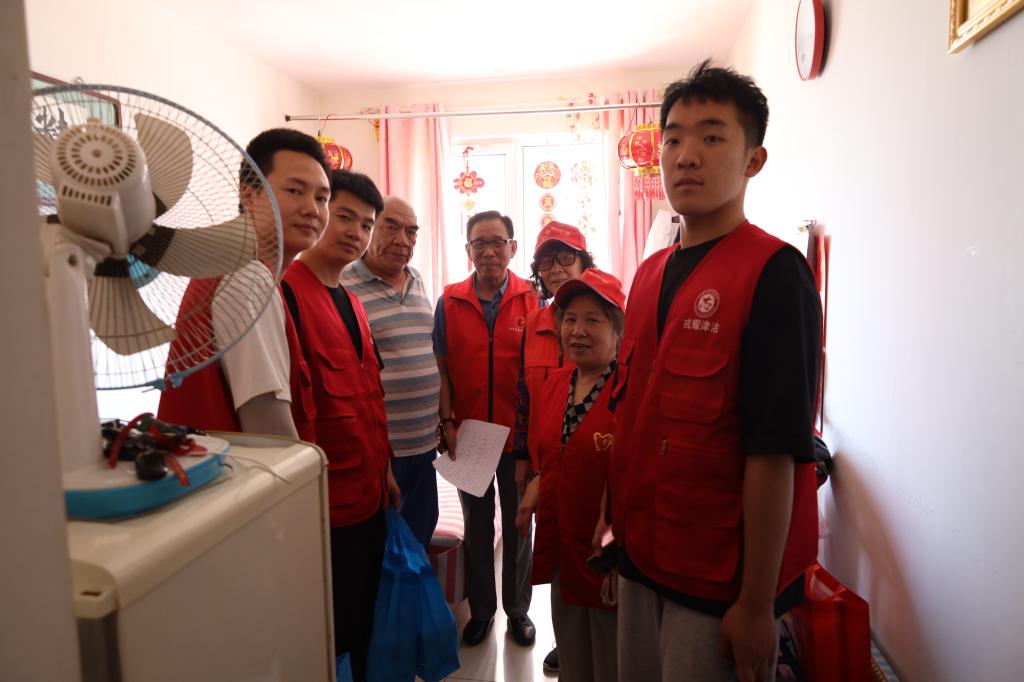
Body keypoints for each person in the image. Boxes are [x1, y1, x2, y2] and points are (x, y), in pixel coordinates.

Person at [608, 60, 822, 682]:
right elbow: (633, 414)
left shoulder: (775, 273)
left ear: (753, 159)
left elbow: (776, 452)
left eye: (711, 136)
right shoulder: (648, 273)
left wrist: (756, 605)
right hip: (640, 553)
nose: (685, 156)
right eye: (672, 138)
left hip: (716, 581)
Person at [281, 169, 401, 682]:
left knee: (365, 619)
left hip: (370, 495)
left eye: (366, 224)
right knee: (333, 632)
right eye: (345, 216)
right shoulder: (286, 294)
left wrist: (386, 471)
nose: (356, 232)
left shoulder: (351, 301)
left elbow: (371, 398)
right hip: (325, 506)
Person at [158, 128, 327, 439]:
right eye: (295, 191)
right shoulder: (247, 276)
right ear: (249, 196)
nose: (312, 209)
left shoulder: (234, 266)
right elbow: (270, 434)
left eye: (322, 198)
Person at [432, 211, 539, 647]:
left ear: (513, 247)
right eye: (480, 243)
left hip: (518, 439)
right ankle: (481, 611)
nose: (489, 251)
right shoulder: (450, 301)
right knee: (476, 528)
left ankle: (518, 611)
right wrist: (447, 422)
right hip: (470, 435)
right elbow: (442, 371)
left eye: (498, 242)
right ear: (468, 250)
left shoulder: (533, 300)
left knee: (518, 526)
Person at [516, 268, 625, 682]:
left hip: (607, 557)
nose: (577, 331)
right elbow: (555, 452)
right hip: (562, 543)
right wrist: (536, 485)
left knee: (611, 659)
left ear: (618, 331)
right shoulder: (557, 383)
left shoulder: (630, 390)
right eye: (569, 319)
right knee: (573, 651)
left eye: (592, 320)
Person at [511, 220, 595, 673]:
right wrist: (523, 457)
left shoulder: (608, 316)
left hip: (592, 460)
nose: (556, 268)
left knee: (590, 549)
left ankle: (591, 641)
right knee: (555, 552)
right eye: (547, 261)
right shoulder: (534, 323)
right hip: (544, 463)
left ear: (584, 264)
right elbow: (524, 396)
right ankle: (566, 639)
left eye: (566, 258)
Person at [340, 196, 441, 549]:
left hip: (425, 444)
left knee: (421, 535)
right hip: (382, 450)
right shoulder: (343, 286)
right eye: (391, 227)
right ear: (370, 229)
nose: (403, 240)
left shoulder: (418, 280)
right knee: (384, 548)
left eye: (411, 231)